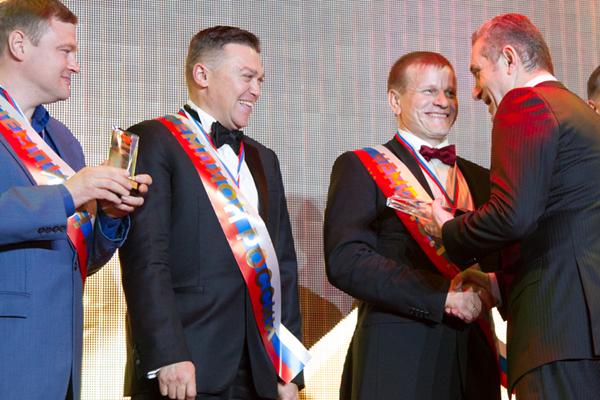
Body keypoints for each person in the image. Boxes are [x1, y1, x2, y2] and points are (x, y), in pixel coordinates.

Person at [120, 26, 306, 400]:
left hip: (260, 373)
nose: (256, 90)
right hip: (186, 365)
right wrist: (168, 353)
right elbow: (145, 259)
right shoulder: (149, 139)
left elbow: (283, 266)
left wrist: (290, 369)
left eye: (260, 80)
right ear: (202, 75)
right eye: (246, 77)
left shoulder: (264, 159)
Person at [429, 13, 600, 399]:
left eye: (477, 72)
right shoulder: (581, 115)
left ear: (509, 58)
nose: (475, 92)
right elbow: (563, 227)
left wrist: (448, 229)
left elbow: (513, 215)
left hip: (557, 336)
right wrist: (499, 284)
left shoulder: (525, 103)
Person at [324, 51, 500, 400]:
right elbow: (346, 261)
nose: (443, 102)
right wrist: (440, 297)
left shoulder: (482, 179)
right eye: (429, 91)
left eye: (450, 92)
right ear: (395, 100)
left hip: (474, 358)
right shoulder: (362, 167)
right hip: (398, 356)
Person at [0, 1, 151, 399]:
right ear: (19, 45)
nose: (76, 65)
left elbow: (76, 260)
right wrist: (70, 194)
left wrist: (110, 215)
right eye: (65, 51)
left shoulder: (64, 141)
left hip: (64, 362)